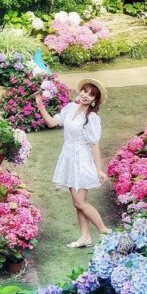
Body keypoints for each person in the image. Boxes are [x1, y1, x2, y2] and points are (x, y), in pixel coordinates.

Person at [35, 78, 111, 248]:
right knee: (77, 203)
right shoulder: (70, 108)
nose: (86, 95)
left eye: (91, 95)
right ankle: (85, 237)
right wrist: (40, 105)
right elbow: (52, 123)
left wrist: (99, 170)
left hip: (82, 159)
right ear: (80, 91)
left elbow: (94, 145)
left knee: (80, 202)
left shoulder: (91, 118)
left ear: (94, 101)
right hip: (69, 157)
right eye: (84, 91)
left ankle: (105, 231)